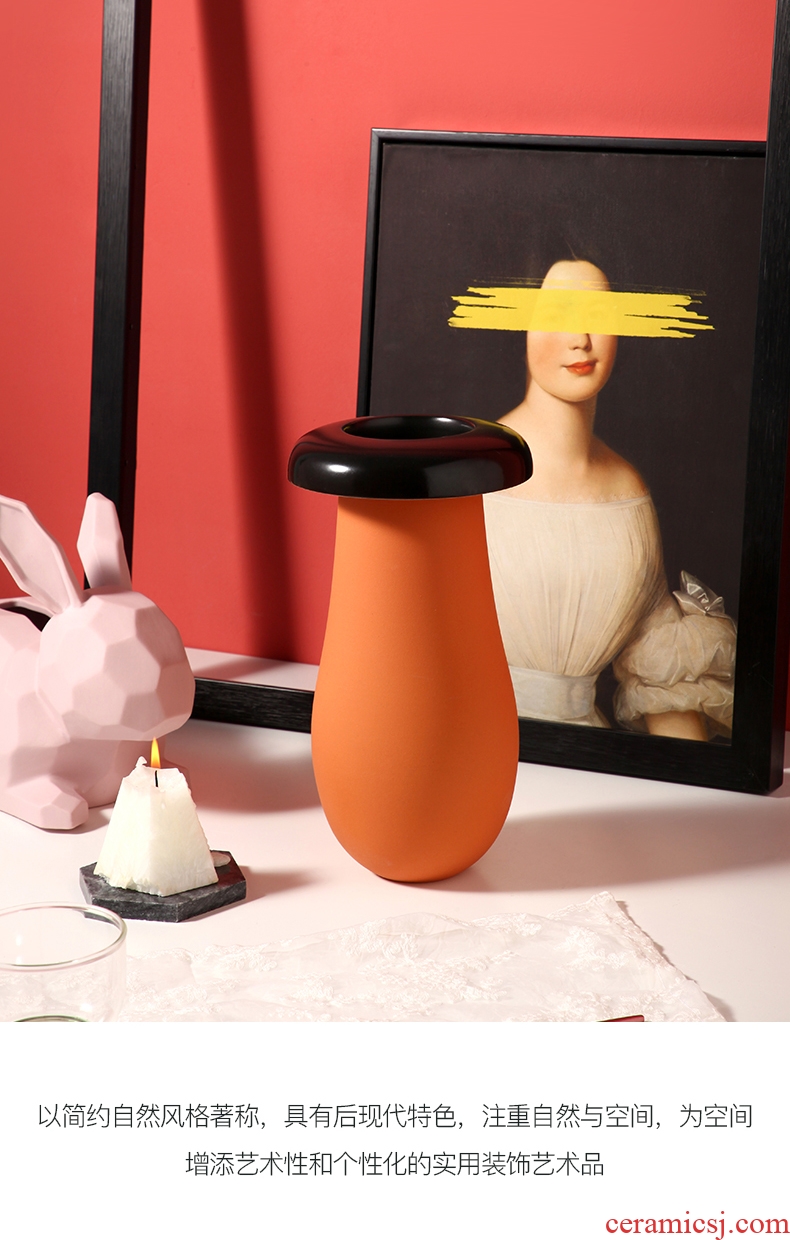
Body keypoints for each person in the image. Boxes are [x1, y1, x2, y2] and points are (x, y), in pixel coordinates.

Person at [483, 259, 735, 740]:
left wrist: (694, 778)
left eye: (598, 315)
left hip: (586, 760)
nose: (581, 339)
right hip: (479, 746)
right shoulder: (476, 469)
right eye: (559, 314)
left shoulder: (627, 489)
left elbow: (657, 658)